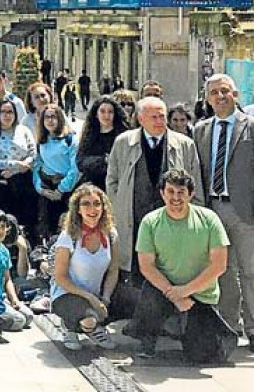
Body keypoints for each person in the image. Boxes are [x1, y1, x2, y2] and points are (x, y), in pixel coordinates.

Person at [128, 169, 233, 362]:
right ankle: (147, 341)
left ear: (191, 194)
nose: (175, 198)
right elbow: (146, 266)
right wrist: (174, 294)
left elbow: (219, 265)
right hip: (164, 290)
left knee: (203, 356)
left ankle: (186, 331)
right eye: (170, 192)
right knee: (149, 293)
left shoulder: (210, 219)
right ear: (162, 194)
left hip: (199, 293)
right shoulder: (150, 222)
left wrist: (186, 291)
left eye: (181, 192)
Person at [106, 97, 203, 282]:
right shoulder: (123, 142)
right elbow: (112, 180)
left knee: (170, 268)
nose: (160, 121)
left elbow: (194, 181)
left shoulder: (184, 144)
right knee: (135, 269)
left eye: (162, 116)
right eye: (154, 117)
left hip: (171, 217)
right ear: (141, 119)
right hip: (133, 217)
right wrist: (119, 204)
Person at [193, 74, 254, 348]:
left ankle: (253, 328)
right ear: (207, 98)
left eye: (225, 91)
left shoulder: (250, 127)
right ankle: (230, 326)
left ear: (236, 95)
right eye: (214, 92)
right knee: (223, 271)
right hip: (212, 209)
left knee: (250, 270)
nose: (220, 96)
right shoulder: (201, 130)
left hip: (245, 210)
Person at [49, 185, 120, 351]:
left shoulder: (111, 234)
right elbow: (60, 277)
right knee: (89, 319)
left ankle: (93, 320)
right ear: (78, 209)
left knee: (134, 301)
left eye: (97, 204)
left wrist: (106, 298)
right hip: (68, 293)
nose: (92, 209)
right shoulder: (68, 236)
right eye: (86, 204)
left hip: (98, 292)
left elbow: (113, 269)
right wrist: (92, 299)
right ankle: (73, 325)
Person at [0, 96, 37, 231]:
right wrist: (16, 164)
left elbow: (33, 154)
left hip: (25, 179)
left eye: (10, 112)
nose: (7, 115)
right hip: (2, 181)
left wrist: (18, 169)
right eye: (3, 112)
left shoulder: (23, 130)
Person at [0, 208, 33, 331]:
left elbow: (7, 279)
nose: (0, 230)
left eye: (3, 226)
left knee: (29, 317)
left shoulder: (4, 251)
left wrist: (14, 300)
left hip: (1, 297)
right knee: (19, 321)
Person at [32, 104, 81, 242]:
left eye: (54, 117)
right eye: (46, 117)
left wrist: (61, 190)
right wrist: (39, 188)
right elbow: (37, 165)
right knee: (48, 227)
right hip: (47, 187)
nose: (50, 120)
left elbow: (75, 168)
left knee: (67, 225)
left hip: (66, 188)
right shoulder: (41, 141)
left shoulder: (70, 140)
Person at [77, 97, 130, 191]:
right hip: (93, 186)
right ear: (96, 114)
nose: (106, 115)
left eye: (110, 112)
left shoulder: (124, 135)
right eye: (102, 111)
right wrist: (103, 160)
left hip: (118, 186)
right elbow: (80, 162)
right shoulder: (89, 134)